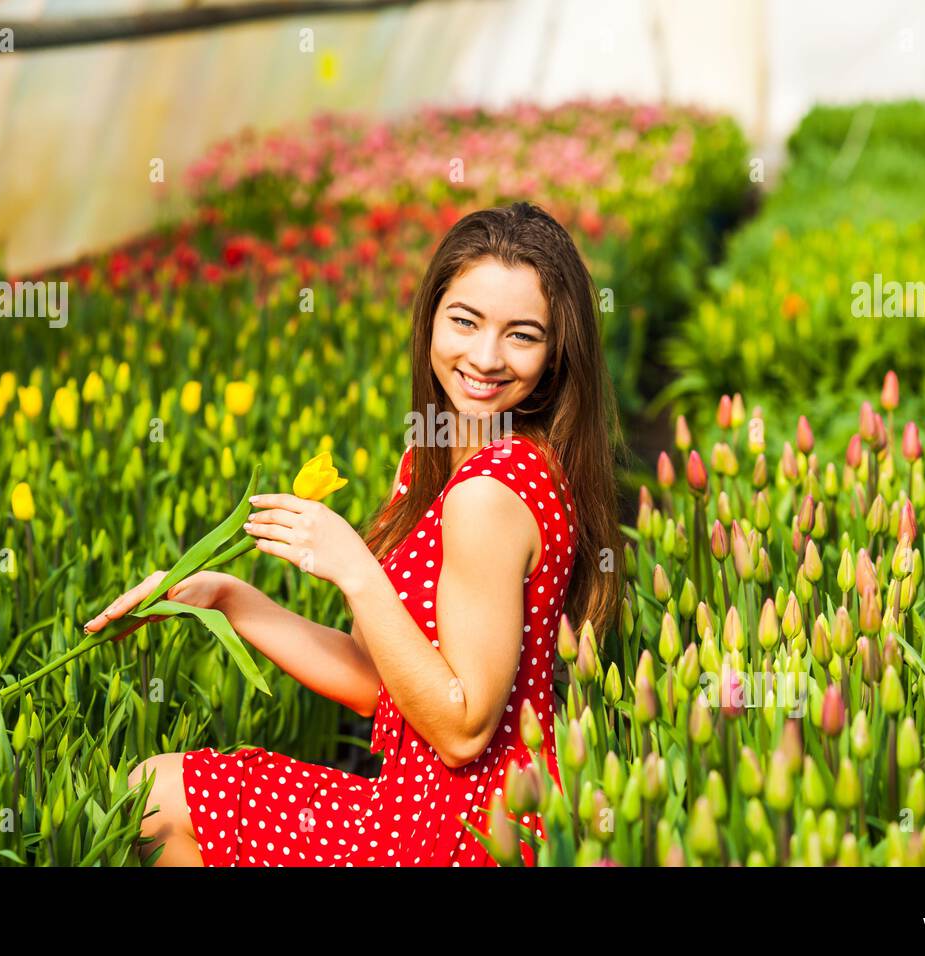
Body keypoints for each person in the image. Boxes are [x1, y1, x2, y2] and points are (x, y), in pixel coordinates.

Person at [84, 200, 623, 866]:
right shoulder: (430, 465)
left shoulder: (490, 492)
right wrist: (225, 597)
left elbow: (462, 731)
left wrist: (356, 571)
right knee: (156, 796)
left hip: (475, 835)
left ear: (556, 351)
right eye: (465, 321)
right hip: (410, 807)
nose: (485, 356)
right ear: (430, 318)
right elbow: (385, 688)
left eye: (522, 334)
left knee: (159, 798)